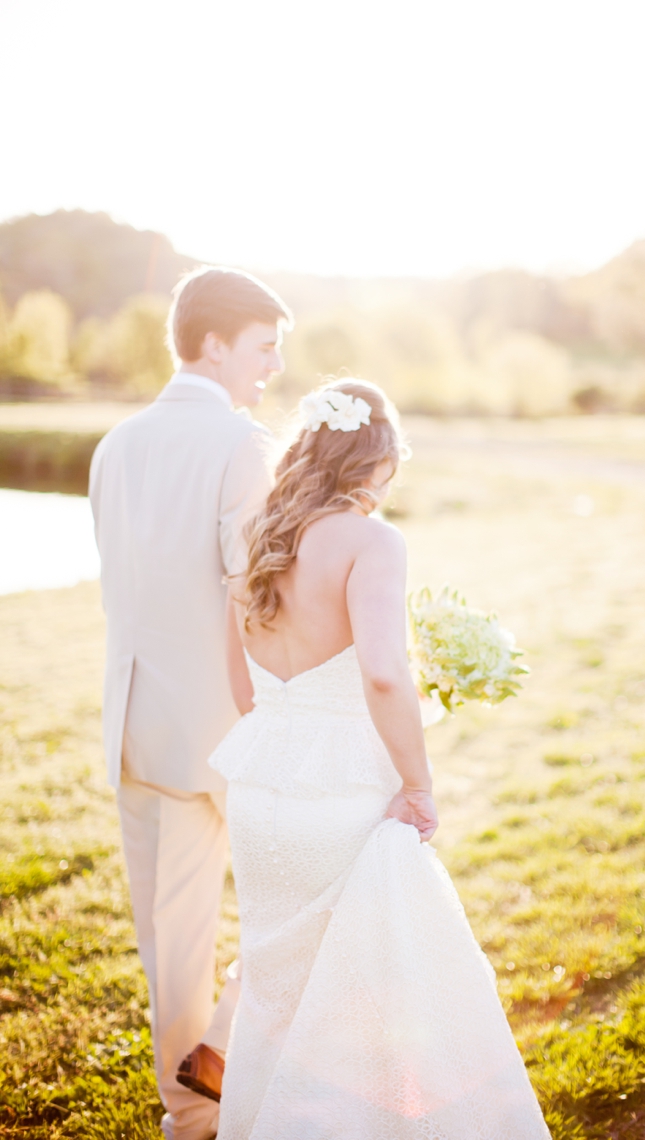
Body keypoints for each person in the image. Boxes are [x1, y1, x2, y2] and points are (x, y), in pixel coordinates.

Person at [210, 379, 551, 1138]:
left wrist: (293, 731)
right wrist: (419, 783)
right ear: (379, 461)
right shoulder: (372, 542)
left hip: (261, 789)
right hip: (342, 795)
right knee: (369, 1000)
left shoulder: (258, 534)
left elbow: (240, 683)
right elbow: (384, 672)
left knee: (276, 990)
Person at [89, 266, 292, 1140]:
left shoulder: (114, 444)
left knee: (169, 939)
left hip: (134, 725)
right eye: (263, 347)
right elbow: (255, 594)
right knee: (304, 900)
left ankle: (187, 1114)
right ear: (213, 342)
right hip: (228, 728)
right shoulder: (240, 445)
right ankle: (224, 1061)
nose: (273, 367)